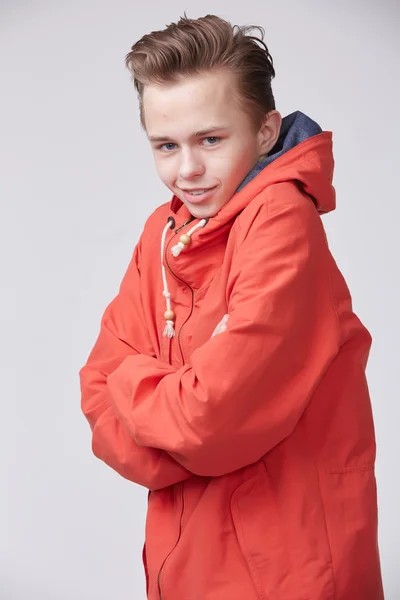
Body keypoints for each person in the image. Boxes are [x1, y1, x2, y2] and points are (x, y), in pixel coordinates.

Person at [79, 13, 384, 600]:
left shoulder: (281, 222)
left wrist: (139, 386)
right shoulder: (161, 233)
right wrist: (173, 413)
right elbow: (96, 391)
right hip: (184, 561)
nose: (186, 171)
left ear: (266, 132)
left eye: (211, 140)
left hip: (286, 569)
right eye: (166, 145)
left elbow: (204, 421)